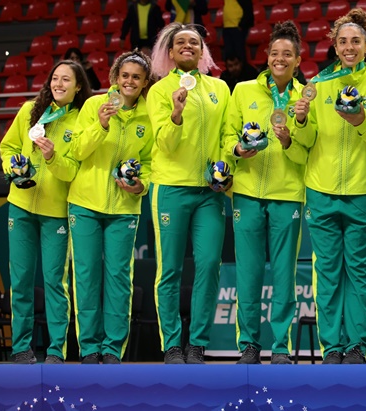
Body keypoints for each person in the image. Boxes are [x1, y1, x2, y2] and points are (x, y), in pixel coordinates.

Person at [289, 8, 366, 365]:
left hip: (362, 189)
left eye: (356, 41)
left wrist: (360, 119)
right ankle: (332, 347)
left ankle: (358, 345)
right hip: (321, 188)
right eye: (342, 41)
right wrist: (299, 119)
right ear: (334, 45)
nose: (349, 47)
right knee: (327, 272)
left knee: (360, 271)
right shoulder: (318, 85)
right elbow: (308, 139)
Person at [47, 51, 155, 365]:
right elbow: (77, 150)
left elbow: (149, 164)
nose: (130, 81)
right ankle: (90, 347)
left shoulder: (149, 117)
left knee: (120, 279)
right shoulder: (95, 105)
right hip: (85, 204)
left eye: (136, 77)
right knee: (86, 277)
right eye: (125, 75)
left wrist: (140, 185)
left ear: (145, 82)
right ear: (114, 78)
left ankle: (112, 349)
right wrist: (102, 125)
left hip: (125, 208)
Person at [223, 21, 307, 365]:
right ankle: (249, 345)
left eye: (288, 54)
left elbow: (308, 151)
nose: (280, 58)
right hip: (246, 192)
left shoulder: (305, 98)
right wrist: (239, 151)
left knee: (285, 275)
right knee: (248, 273)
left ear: (298, 60)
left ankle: (282, 347)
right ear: (267, 56)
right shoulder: (242, 91)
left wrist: (289, 140)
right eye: (275, 53)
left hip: (288, 194)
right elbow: (226, 140)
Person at [147, 22, 230, 365]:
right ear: (169, 52)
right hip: (170, 187)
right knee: (170, 270)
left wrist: (224, 167)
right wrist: (177, 113)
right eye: (179, 42)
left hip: (209, 192)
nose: (187, 46)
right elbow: (164, 143)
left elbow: (228, 133)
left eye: (194, 42)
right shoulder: (158, 92)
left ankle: (197, 343)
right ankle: (172, 345)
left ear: (202, 51)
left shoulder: (220, 89)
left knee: (209, 264)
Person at [0, 60, 93, 364]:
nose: (59, 84)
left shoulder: (81, 120)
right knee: (21, 280)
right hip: (21, 204)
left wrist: (52, 157)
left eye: (67, 80)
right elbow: (7, 147)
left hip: (56, 211)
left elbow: (72, 171)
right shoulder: (30, 110)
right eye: (55, 78)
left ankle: (56, 350)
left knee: (55, 282)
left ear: (79, 86)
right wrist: (12, 167)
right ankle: (21, 348)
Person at [221, 0, 254, 66]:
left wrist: (241, 25)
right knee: (229, 54)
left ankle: (242, 74)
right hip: (227, 27)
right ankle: (230, 74)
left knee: (239, 55)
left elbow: (248, 10)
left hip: (237, 27)